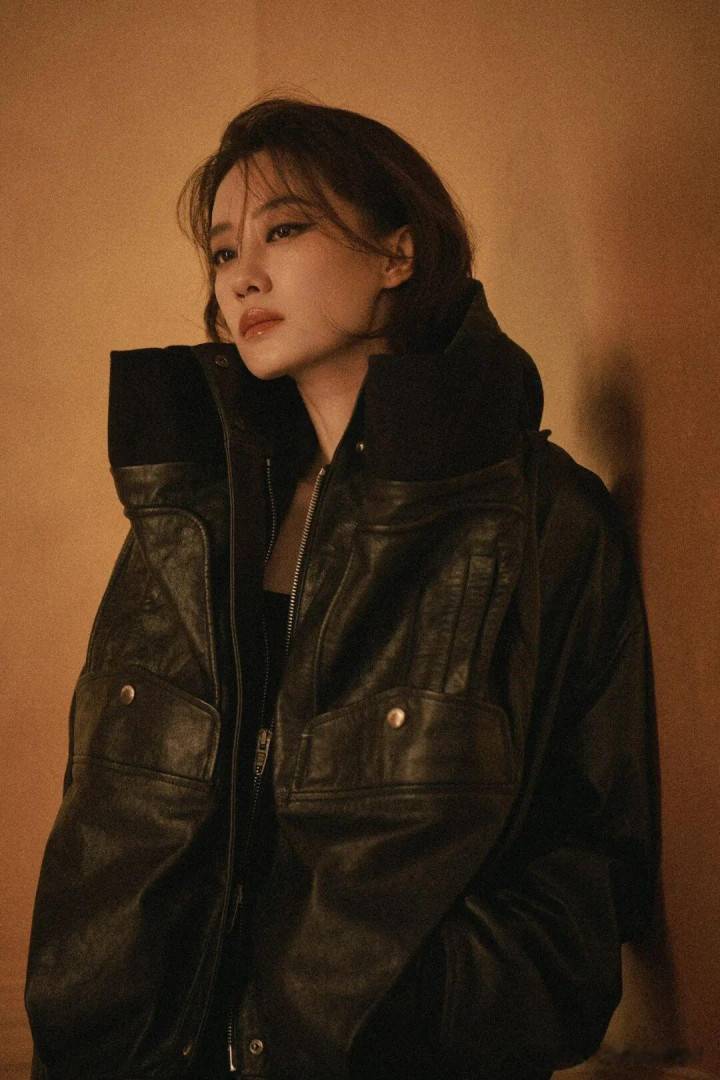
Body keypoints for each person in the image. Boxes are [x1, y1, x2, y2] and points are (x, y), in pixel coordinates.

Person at [25, 95, 659, 1080]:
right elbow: (108, 816)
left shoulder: (538, 519)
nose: (244, 275)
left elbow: (590, 852)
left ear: (397, 253)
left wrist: (400, 1001)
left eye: (284, 230)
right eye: (224, 252)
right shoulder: (194, 514)